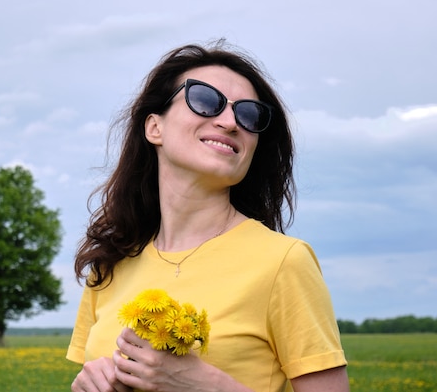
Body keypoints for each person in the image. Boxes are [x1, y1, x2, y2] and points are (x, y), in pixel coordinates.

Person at [66, 41, 349, 392]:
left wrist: (207, 386)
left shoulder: (284, 263)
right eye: (204, 100)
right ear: (154, 127)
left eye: (250, 115)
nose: (231, 122)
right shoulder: (110, 262)